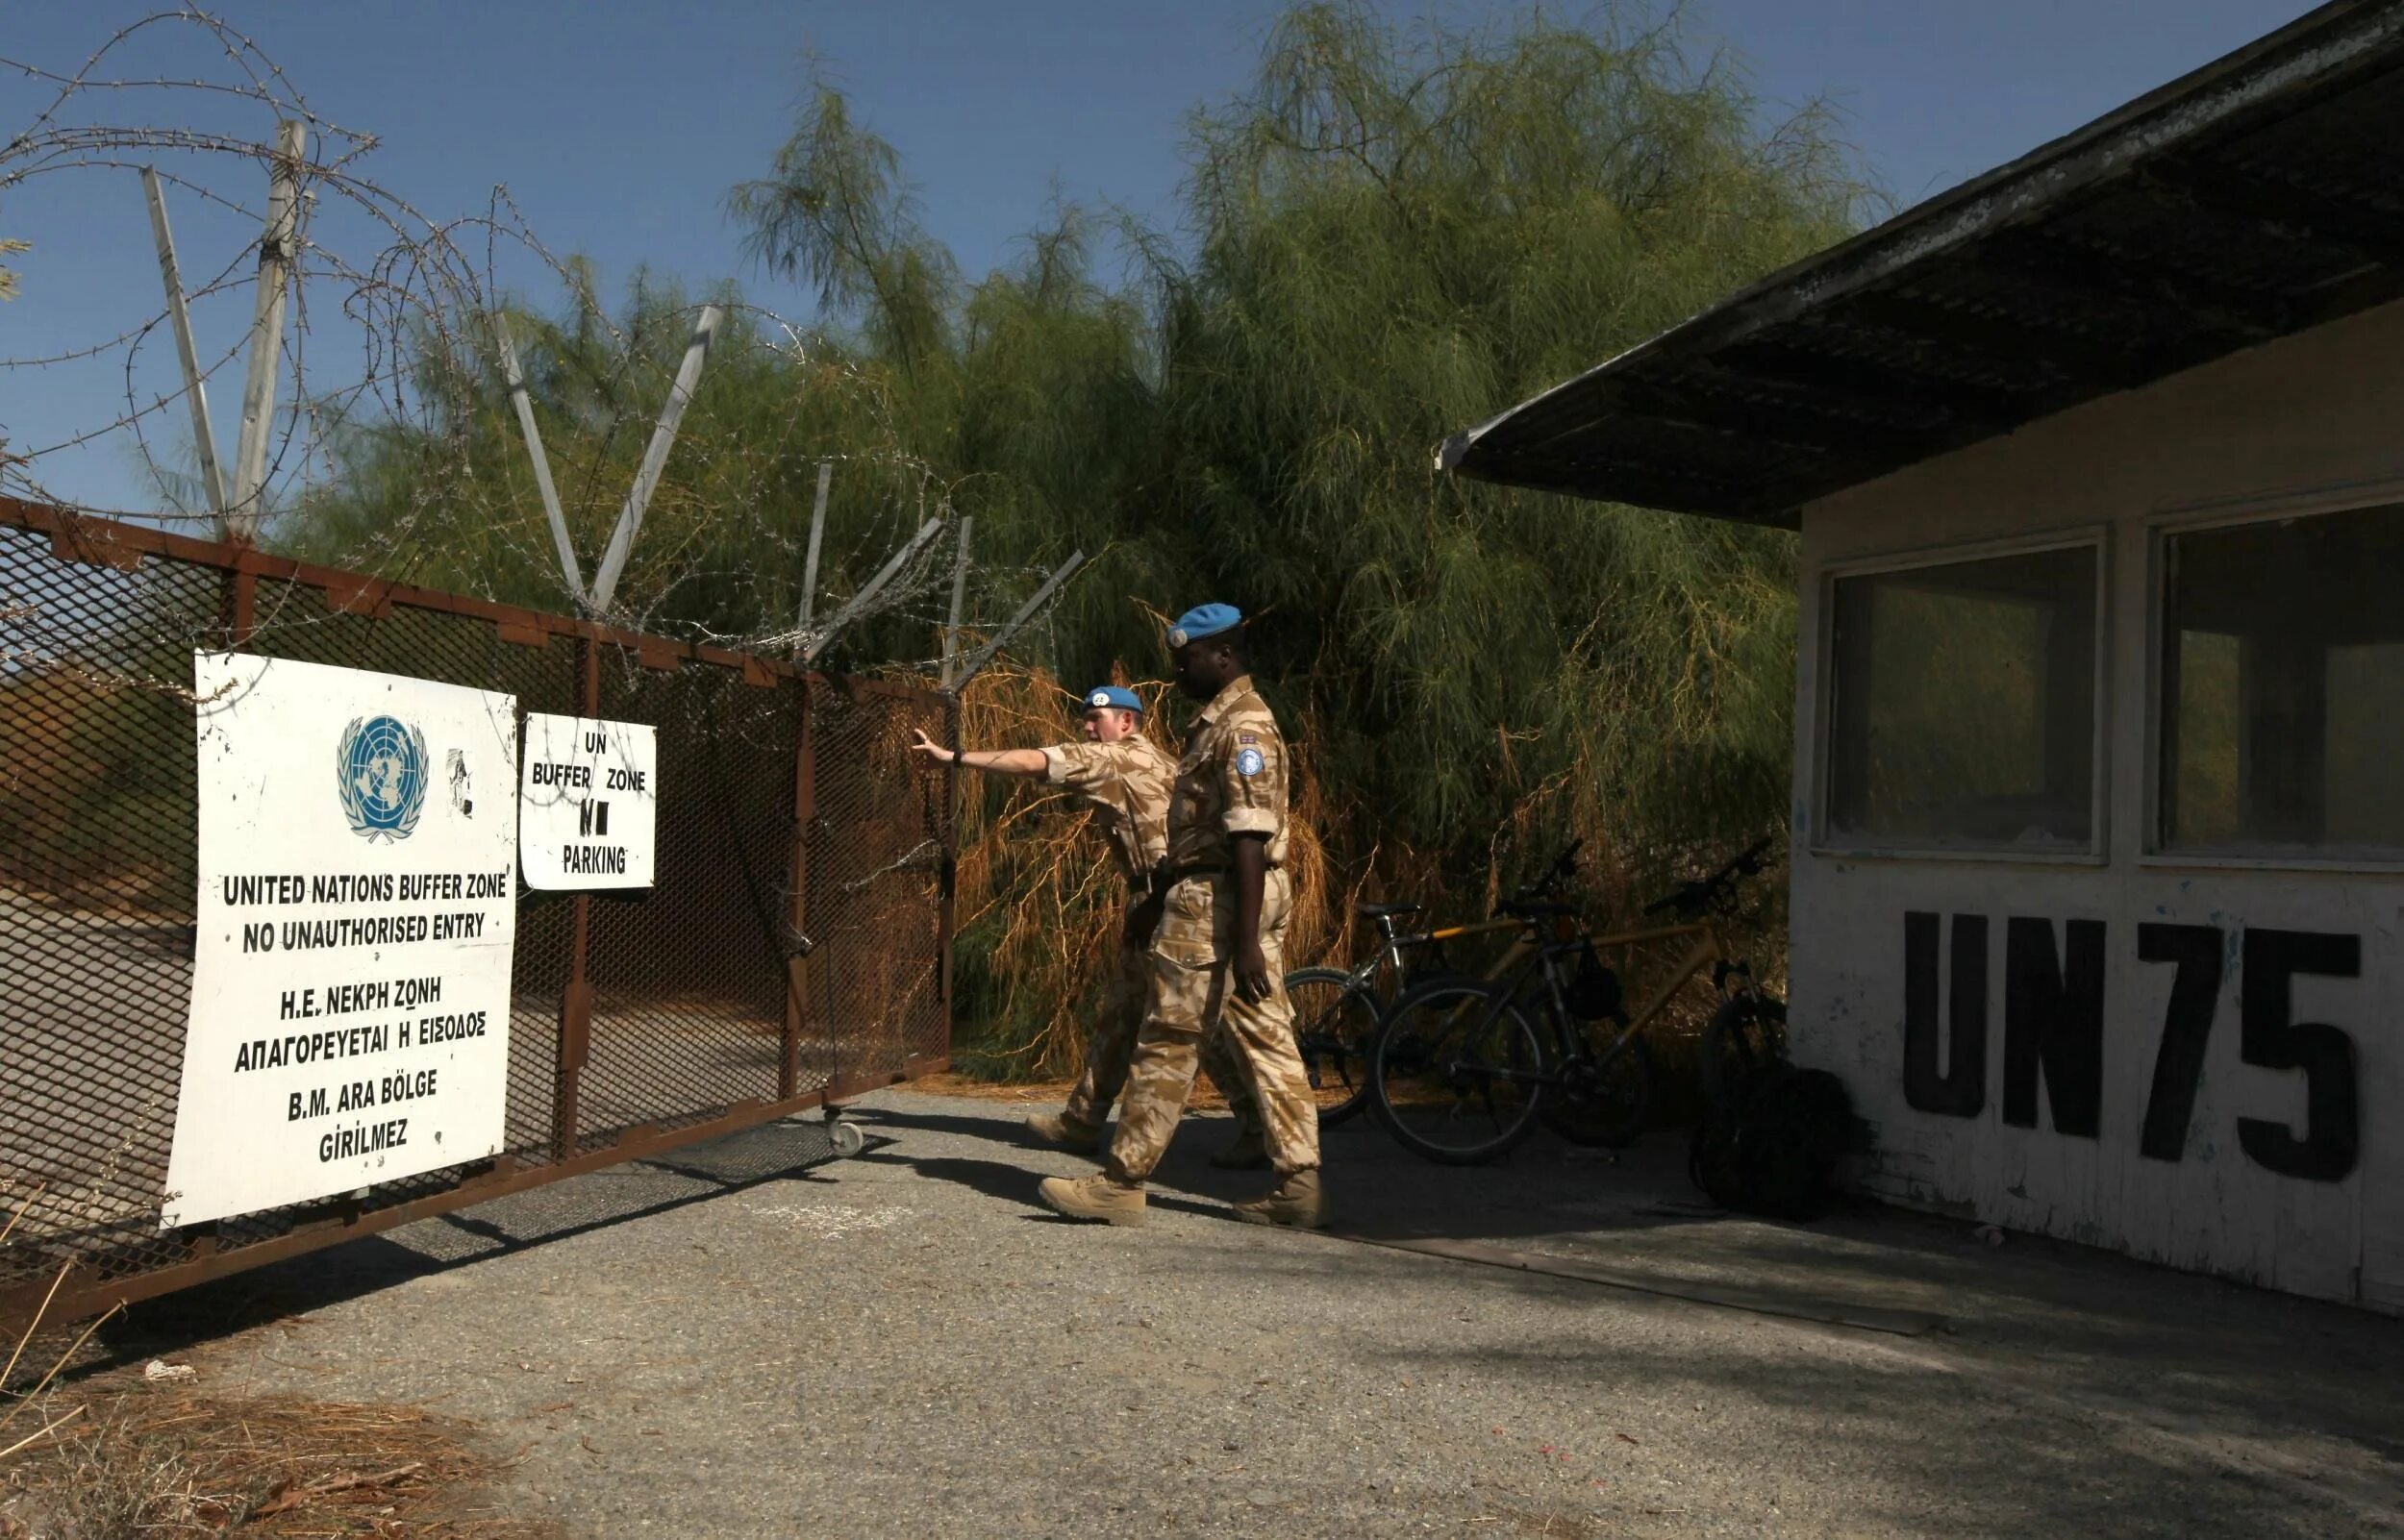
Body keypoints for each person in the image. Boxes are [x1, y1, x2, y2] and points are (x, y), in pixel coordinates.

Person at [1038, 604, 1326, 1229]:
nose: (1177, 671)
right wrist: (1161, 896)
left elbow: (1248, 836)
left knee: (1168, 1039)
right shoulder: (1218, 723)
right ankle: (1298, 1185)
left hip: (1221, 903)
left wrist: (1244, 939)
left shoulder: (1242, 729)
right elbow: (1199, 834)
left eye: (1187, 659)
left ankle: (1122, 1183)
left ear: (1223, 656)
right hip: (1209, 892)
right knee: (1267, 1040)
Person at [908, 686, 1264, 1166]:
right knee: (1124, 1012)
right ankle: (1082, 1121)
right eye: (1086, 720)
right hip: (1168, 895)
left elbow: (1038, 761)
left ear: (1128, 724)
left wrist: (954, 757)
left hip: (1162, 900)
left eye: (1098, 719)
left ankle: (1256, 1126)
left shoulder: (1114, 760)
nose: (1088, 727)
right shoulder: (1162, 760)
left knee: (1198, 1020)